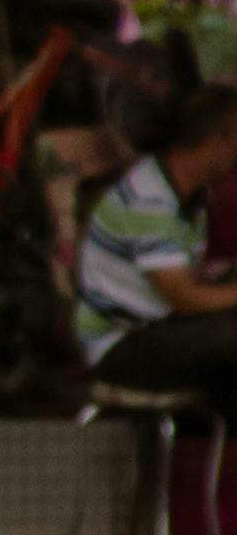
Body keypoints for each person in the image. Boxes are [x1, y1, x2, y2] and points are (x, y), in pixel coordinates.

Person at [71, 78, 237, 406]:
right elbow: (182, 297)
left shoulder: (189, 197)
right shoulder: (149, 201)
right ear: (217, 141)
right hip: (122, 344)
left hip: (159, 326)